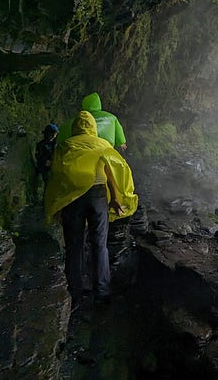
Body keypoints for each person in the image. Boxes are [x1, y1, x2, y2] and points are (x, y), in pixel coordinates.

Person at [44, 111, 138, 306]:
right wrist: (116, 197)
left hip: (73, 197)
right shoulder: (102, 144)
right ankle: (102, 292)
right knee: (99, 244)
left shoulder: (66, 145)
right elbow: (110, 170)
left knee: (74, 245)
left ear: (76, 127)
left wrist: (57, 204)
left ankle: (75, 294)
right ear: (93, 127)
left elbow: (58, 175)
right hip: (98, 195)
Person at [56, 92, 127, 150]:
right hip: (106, 147)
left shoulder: (79, 119)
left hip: (84, 147)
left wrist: (58, 142)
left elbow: (64, 131)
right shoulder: (111, 117)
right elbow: (119, 131)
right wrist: (122, 143)